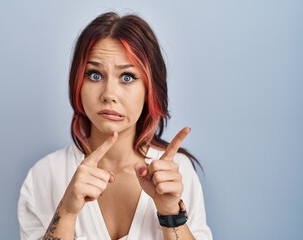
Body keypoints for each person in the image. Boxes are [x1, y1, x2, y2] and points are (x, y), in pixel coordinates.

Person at [18, 11, 213, 240]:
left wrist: (170, 212)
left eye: (127, 77)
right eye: (94, 75)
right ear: (77, 83)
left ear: (149, 90)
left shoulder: (176, 172)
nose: (109, 94)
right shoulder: (45, 175)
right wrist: (67, 212)